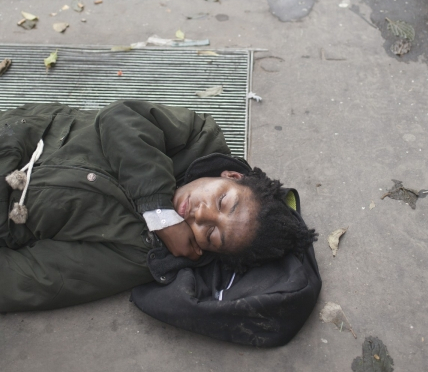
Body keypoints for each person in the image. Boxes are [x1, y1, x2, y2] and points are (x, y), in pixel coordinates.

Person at [0, 100, 316, 313]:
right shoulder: (197, 137)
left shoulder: (145, 253)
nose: (201, 214)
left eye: (210, 234)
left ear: (203, 250)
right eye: (222, 201)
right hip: (19, 139)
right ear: (232, 176)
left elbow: (39, 277)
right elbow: (119, 117)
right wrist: (159, 212)